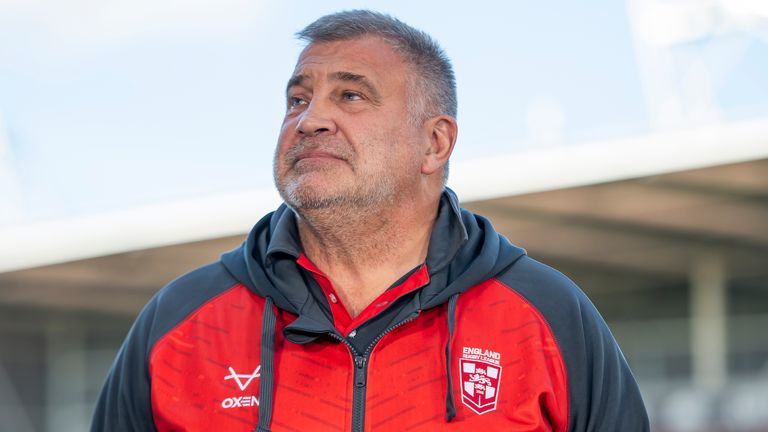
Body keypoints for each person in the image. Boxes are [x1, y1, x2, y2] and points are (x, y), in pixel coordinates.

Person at [91, 10, 649, 432]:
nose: (311, 120)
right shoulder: (183, 323)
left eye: (350, 95)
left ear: (435, 143)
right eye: (297, 99)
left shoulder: (545, 315)